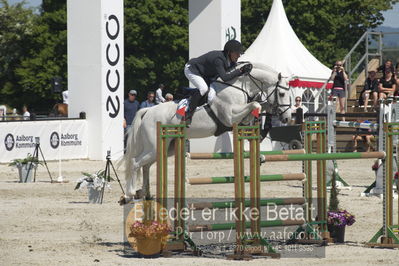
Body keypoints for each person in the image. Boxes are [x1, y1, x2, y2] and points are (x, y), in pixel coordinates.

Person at [183, 39, 252, 125]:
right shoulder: (218, 59)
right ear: (230, 52)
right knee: (203, 89)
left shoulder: (229, 60)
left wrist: (243, 69)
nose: (239, 55)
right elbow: (225, 77)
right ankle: (188, 114)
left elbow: (233, 70)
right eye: (237, 53)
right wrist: (240, 70)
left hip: (204, 74)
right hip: (192, 69)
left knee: (211, 94)